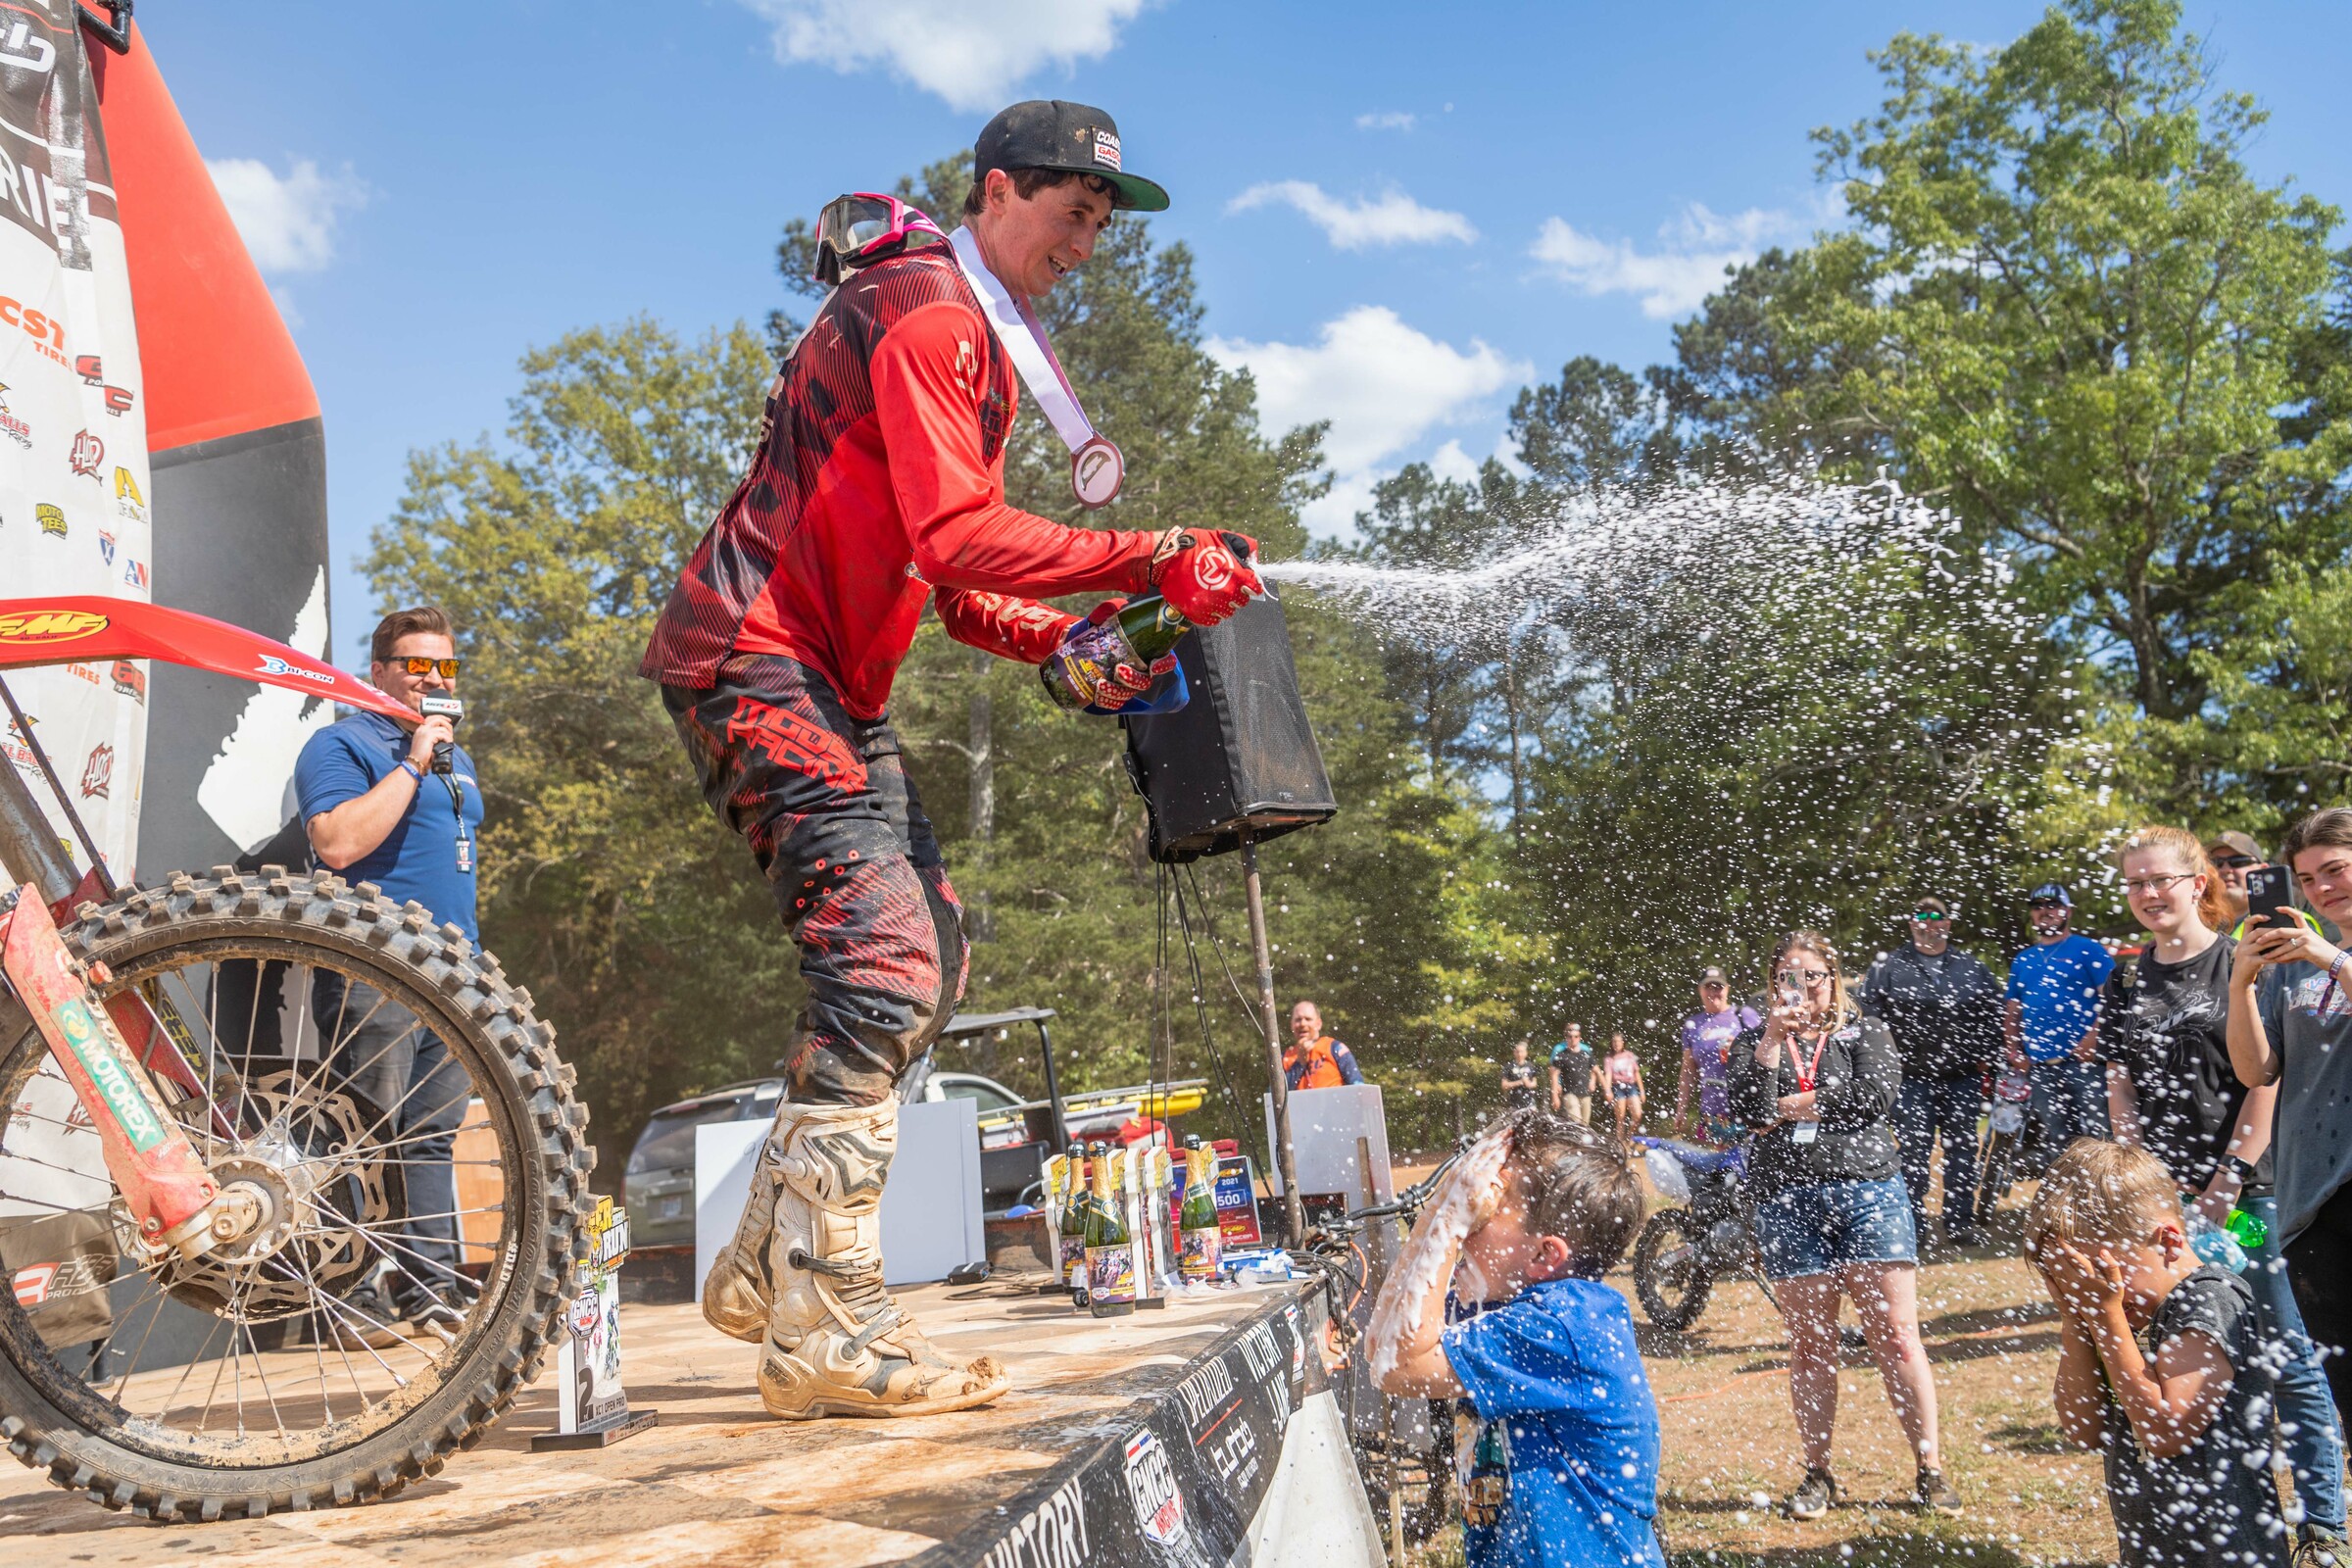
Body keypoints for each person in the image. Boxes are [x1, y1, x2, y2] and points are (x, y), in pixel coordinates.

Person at [641, 101, 1263, 1421]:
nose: (1085, 246)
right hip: (756, 653)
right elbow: (966, 533)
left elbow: (949, 572)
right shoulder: (932, 314)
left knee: (930, 945)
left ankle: (768, 1264)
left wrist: (1057, 647)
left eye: (1101, 225)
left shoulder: (959, 334)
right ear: (994, 194)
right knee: (884, 957)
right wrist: (1149, 555)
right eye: (1071, 214)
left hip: (828, 681)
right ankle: (827, 1324)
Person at [2101, 825, 2345, 1565]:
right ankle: (2233, 1519)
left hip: (2248, 1194)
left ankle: (2322, 1524)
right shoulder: (2126, 977)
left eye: (2161, 880)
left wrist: (2226, 1182)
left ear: (2197, 880)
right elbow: (2121, 1080)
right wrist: (2141, 1180)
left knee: (2285, 1351)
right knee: (2198, 1352)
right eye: (2136, 883)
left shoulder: (2246, 956)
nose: (2148, 895)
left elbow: (2264, 1081)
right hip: (2164, 1208)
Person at [295, 606, 483, 1342]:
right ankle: (350, 1297)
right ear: (378, 671)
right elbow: (337, 843)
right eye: (416, 665)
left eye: (445, 667)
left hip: (456, 971)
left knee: (431, 1135)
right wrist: (410, 760)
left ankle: (429, 1289)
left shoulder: (454, 755)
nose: (432, 679)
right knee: (366, 1132)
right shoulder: (343, 742)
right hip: (378, 965)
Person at [1728, 931, 1960, 1518]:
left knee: (1897, 1335)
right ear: (1772, 983)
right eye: (1788, 976)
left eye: (1813, 975)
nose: (1802, 986)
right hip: (1786, 1199)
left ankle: (1930, 1469)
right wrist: (1774, 1045)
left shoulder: (1864, 1030)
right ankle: (1818, 1473)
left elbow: (1874, 1097)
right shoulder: (1754, 1040)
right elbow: (1747, 1112)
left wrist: (1793, 1106)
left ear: (1834, 978)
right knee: (1810, 1343)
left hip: (1869, 1192)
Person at [1370, 1113, 1662, 1568]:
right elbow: (1385, 1346)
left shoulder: (1567, 1323)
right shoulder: (1507, 1301)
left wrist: (1449, 1216)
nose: (1473, 1218)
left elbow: (1398, 1364)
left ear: (1545, 1254)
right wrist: (1443, 1206)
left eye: (1490, 1204)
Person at [2029, 1140, 2286, 1568]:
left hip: (2229, 1554)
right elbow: (2083, 1429)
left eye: (2100, 1272)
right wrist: (2078, 1321)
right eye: (2069, 1280)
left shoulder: (2208, 1301)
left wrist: (2107, 1316)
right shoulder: (2112, 1310)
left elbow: (2166, 1433)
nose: (2088, 1290)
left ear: (2167, 1240)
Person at [2230, 808, 2352, 1448]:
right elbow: (2258, 1070)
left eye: (2335, 868)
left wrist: (2329, 955)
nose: (2323, 887)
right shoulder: (2294, 965)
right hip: (2310, 1203)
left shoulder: (2320, 953)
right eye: (2307, 879)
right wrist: (2244, 985)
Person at [1864, 898, 2003, 1248]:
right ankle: (1913, 1225)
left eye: (1936, 918)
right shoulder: (1890, 967)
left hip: (1962, 1076)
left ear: (1948, 923)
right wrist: (1882, 1060)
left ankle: (1959, 1222)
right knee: (1912, 1152)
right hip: (1910, 1078)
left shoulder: (1970, 966)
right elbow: (1870, 1016)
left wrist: (1987, 1053)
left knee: (1961, 1151)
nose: (1928, 924)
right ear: (1911, 925)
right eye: (1920, 918)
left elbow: (1994, 1011)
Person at [2006, 883, 2114, 1171]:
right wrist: (2013, 1049)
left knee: (2099, 1138)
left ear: (2067, 911)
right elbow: (2013, 1009)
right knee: (2058, 1142)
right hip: (2042, 1067)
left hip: (2085, 1065)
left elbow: (2113, 998)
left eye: (2053, 905)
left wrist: (2093, 1036)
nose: (2045, 912)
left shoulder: (2088, 949)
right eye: (2038, 906)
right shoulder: (2023, 959)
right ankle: (2069, 1208)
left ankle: (2105, 1206)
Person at [1674, 968, 1759, 1147]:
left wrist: (1741, 1049)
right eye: (1708, 987)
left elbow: (1770, 1052)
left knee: (1751, 1161)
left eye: (1718, 987)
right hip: (1714, 1108)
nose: (1713, 992)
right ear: (1700, 990)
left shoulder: (1744, 1016)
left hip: (1747, 1104)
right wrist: (1681, 1108)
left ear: (1727, 989)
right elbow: (1688, 1070)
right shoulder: (1693, 1025)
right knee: (1724, 1166)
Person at [1284, 1000, 1364, 1090]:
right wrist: (1299, 1063)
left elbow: (1357, 1085)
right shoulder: (1285, 1057)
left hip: (1335, 1102)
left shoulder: (1334, 1047)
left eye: (1308, 1019)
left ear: (1318, 1024)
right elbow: (1275, 1096)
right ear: (1292, 1025)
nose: (1303, 1024)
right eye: (1298, 1020)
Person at [1600, 1031, 1645, 1143]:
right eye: (1614, 1042)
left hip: (1631, 1085)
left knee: (1637, 1114)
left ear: (1623, 1043)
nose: (1616, 1044)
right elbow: (1608, 1075)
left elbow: (1636, 1073)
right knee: (1620, 1117)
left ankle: (1630, 1135)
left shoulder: (1629, 1055)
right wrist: (1607, 1090)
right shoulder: (1609, 1058)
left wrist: (1642, 1091)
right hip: (1617, 1087)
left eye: (1618, 1041)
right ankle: (1620, 1142)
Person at [1550, 1022, 1592, 1125]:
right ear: (1566, 1034)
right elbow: (1553, 1071)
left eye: (1576, 1035)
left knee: (1585, 1123)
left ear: (1579, 1036)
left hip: (1584, 1089)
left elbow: (1593, 1068)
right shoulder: (1559, 1049)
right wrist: (1557, 1086)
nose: (1573, 1038)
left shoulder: (1585, 1049)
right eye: (1570, 1034)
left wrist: (1593, 1081)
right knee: (1576, 1118)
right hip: (1568, 1088)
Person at [1499, 1040, 1541, 1112]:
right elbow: (1504, 1085)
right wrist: (1519, 1082)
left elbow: (1535, 1083)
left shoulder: (1531, 1066)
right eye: (1517, 1052)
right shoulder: (1509, 1067)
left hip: (1530, 1103)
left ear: (1526, 1053)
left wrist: (1528, 1084)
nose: (1519, 1054)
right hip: (1514, 1104)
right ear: (1514, 1053)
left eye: (1522, 1051)